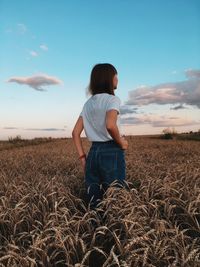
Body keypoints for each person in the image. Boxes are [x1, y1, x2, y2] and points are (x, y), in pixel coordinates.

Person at [72, 63, 128, 210]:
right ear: (109, 78)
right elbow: (110, 125)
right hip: (112, 151)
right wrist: (122, 142)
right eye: (116, 75)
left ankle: (95, 229)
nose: (117, 79)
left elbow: (75, 133)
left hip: (93, 153)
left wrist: (83, 158)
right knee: (115, 198)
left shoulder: (88, 104)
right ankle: (114, 229)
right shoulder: (112, 100)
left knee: (94, 199)